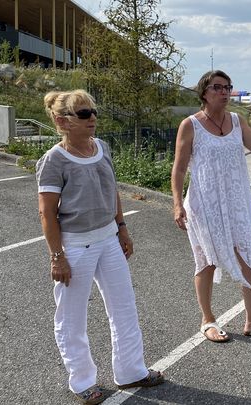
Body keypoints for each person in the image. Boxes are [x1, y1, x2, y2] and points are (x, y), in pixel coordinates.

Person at [37, 90, 164, 404]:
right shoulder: (54, 159)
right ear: (61, 121)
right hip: (76, 246)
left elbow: (113, 190)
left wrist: (122, 228)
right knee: (72, 317)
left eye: (93, 112)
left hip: (108, 239)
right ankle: (82, 381)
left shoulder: (102, 148)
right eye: (83, 114)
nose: (92, 118)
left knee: (124, 307)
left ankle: (131, 370)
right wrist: (57, 256)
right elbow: (46, 212)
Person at [171, 70, 251, 342]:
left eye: (228, 87)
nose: (225, 92)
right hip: (204, 205)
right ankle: (207, 320)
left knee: (250, 257)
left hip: (237, 203)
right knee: (206, 261)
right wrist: (176, 204)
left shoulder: (237, 121)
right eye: (218, 87)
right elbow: (179, 168)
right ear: (204, 92)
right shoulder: (190, 125)